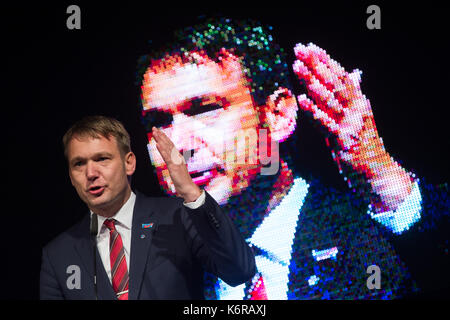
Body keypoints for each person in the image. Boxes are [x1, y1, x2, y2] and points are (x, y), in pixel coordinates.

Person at [138, 18, 448, 299]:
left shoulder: (370, 238)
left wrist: (384, 178)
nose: (177, 145)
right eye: (159, 122)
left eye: (204, 109)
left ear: (278, 115)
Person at [39, 115, 256, 300]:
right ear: (70, 176)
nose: (91, 173)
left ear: (129, 163)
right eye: (79, 164)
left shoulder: (177, 216)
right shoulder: (58, 254)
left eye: (102, 159)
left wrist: (191, 192)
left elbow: (239, 271)